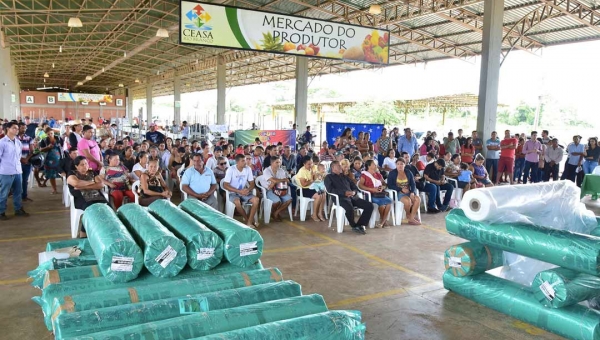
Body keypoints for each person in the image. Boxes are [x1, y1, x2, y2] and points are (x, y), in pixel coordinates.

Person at [324, 161, 372, 235]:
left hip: (352, 197)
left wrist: (354, 192)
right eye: (338, 166)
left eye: (340, 166)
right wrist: (344, 193)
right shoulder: (329, 177)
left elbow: (354, 186)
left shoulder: (344, 176)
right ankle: (353, 225)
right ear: (333, 168)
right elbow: (330, 190)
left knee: (369, 206)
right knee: (349, 207)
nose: (340, 167)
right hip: (340, 198)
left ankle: (360, 224)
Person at [67, 156, 108, 236]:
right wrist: (92, 182)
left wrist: (84, 186)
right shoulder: (71, 173)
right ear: (76, 166)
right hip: (81, 198)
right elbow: (76, 183)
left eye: (86, 163)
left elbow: (101, 184)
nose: (85, 166)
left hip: (96, 196)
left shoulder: (92, 172)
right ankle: (83, 233)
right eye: (82, 164)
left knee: (107, 207)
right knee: (92, 209)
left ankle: (104, 230)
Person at [0, 122, 29, 220]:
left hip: (17, 171)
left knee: (18, 191)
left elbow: (19, 156)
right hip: (6, 172)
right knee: (4, 193)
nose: (16, 130)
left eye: (17, 128)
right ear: (8, 129)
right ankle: (1, 211)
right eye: (14, 128)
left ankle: (18, 209)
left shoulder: (18, 142)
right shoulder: (2, 142)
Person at [223, 154, 260, 228]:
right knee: (237, 202)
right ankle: (247, 220)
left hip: (244, 192)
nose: (245, 162)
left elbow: (252, 183)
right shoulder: (231, 169)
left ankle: (249, 221)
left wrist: (248, 189)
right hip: (233, 192)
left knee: (256, 200)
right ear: (237, 162)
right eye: (243, 161)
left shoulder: (248, 169)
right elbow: (225, 185)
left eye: (245, 160)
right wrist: (239, 191)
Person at [359, 160, 393, 228]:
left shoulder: (378, 174)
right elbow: (360, 185)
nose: (375, 165)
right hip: (371, 195)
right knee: (382, 204)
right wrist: (372, 189)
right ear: (369, 166)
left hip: (380, 194)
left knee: (389, 202)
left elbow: (384, 184)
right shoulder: (364, 175)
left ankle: (382, 221)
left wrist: (382, 187)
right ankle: (384, 222)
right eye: (374, 164)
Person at [387, 158, 421, 225]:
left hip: (408, 192)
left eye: (402, 164)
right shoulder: (392, 173)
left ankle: (411, 218)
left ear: (404, 165)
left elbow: (413, 183)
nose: (400, 166)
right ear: (396, 165)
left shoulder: (408, 172)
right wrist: (401, 189)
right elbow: (390, 185)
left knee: (417, 199)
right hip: (398, 193)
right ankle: (409, 216)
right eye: (398, 164)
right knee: (407, 200)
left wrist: (412, 192)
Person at [260, 155, 292, 221]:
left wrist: (275, 181)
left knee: (289, 200)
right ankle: (275, 213)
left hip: (280, 189)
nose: (279, 164)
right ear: (271, 163)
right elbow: (275, 181)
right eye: (276, 162)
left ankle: (275, 213)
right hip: (269, 190)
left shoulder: (281, 171)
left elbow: (283, 181)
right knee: (277, 201)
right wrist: (280, 180)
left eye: (279, 162)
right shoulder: (266, 170)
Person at [296, 155, 326, 222]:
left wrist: (321, 175)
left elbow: (320, 175)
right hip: (303, 189)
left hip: (313, 187)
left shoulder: (315, 167)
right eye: (308, 164)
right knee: (318, 195)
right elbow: (303, 184)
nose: (311, 165)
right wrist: (312, 179)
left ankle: (320, 213)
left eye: (312, 163)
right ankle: (314, 214)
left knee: (324, 194)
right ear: (304, 164)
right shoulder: (302, 171)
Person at [17, 123, 34, 202]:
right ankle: (17, 196)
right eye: (22, 128)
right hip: (17, 163)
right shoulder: (15, 139)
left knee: (25, 180)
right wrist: (21, 159)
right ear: (18, 128)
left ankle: (24, 196)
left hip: (26, 162)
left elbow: (32, 150)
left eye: (25, 128)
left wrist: (26, 159)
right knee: (17, 180)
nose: (24, 130)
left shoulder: (29, 138)